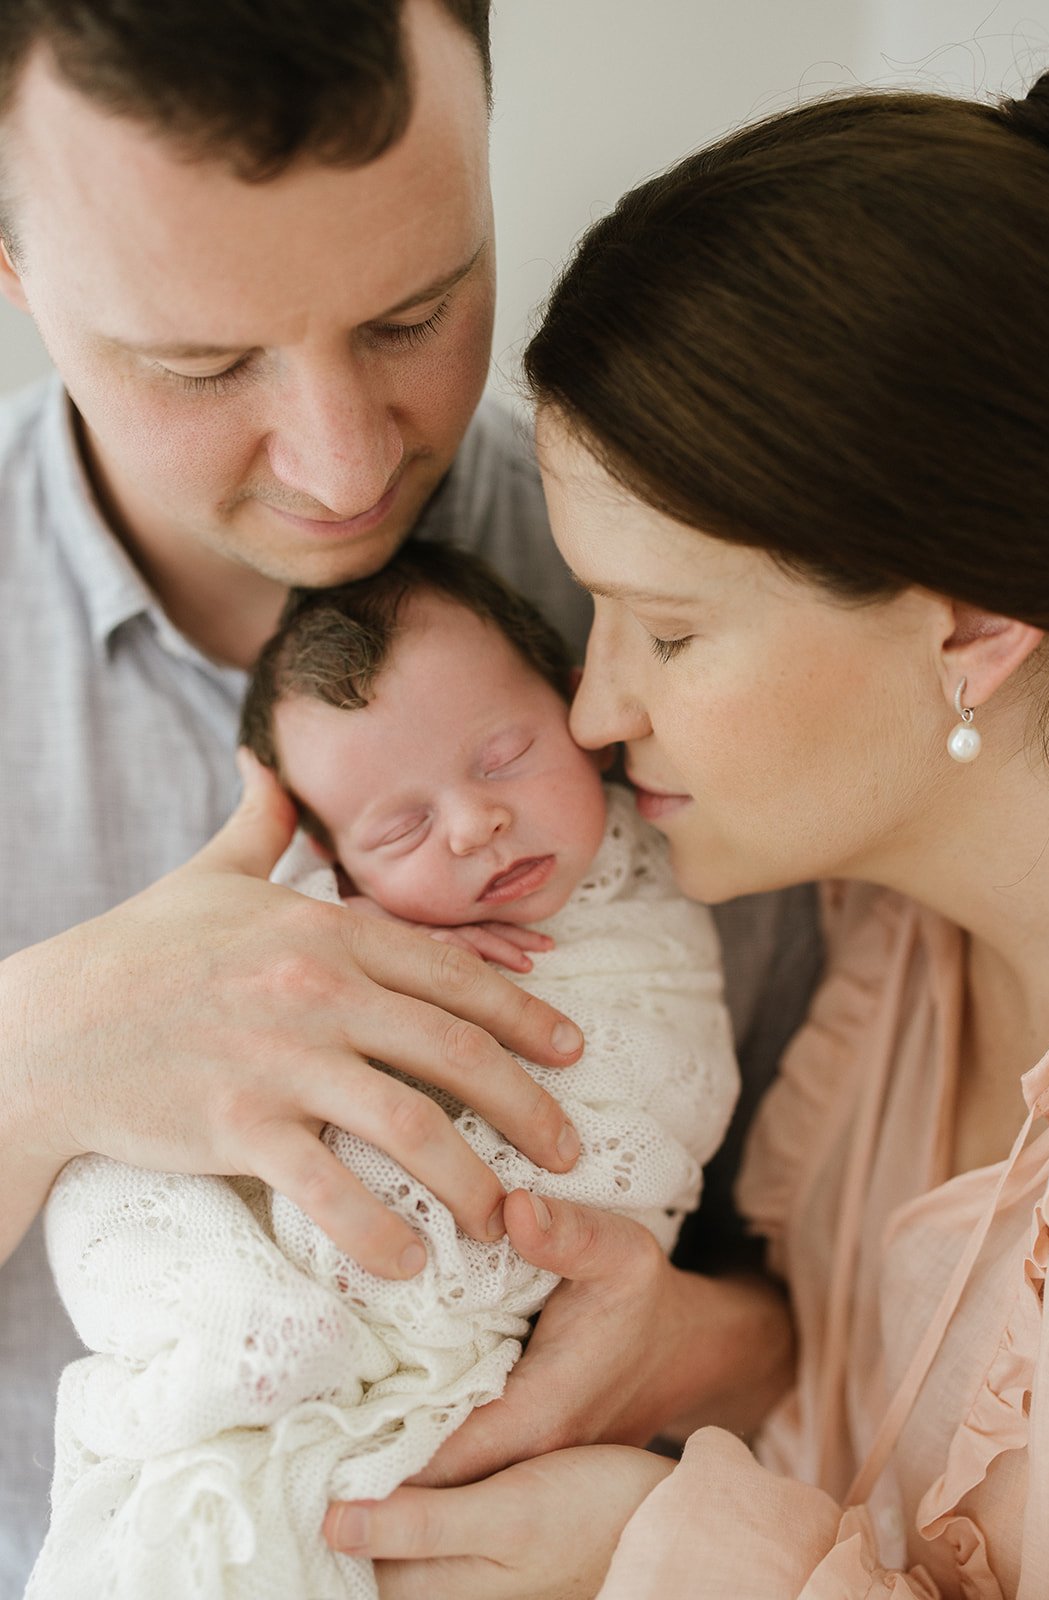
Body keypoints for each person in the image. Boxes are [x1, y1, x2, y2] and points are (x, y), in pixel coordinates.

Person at [0, 3, 820, 1588]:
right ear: (19, 278)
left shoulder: (681, 594)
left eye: (413, 313)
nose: (340, 465)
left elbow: (858, 1285)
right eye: (202, 362)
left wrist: (687, 1352)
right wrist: (32, 1063)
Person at [319, 61, 1049, 1600]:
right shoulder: (879, 964)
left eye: (662, 633)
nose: (592, 713)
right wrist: (689, 1358)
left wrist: (652, 1555)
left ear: (973, 627)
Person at [26, 541, 738, 1599]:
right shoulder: (330, 917)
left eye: (503, 755)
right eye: (399, 828)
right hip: (275, 1215)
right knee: (121, 1189)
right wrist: (347, 930)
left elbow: (667, 1066)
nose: (472, 823)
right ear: (334, 852)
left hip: (519, 1335)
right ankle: (235, 1326)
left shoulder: (685, 858)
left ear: (576, 714)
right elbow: (260, 973)